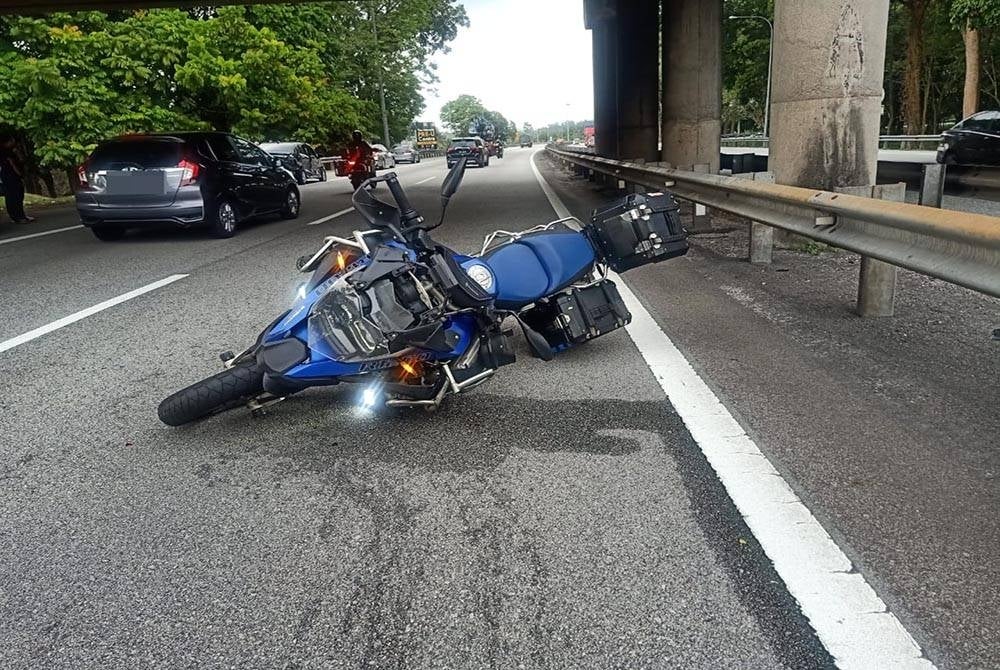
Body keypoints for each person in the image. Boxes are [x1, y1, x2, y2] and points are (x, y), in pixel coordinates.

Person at [0, 136, 33, 224]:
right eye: (11, 140)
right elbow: (12, 164)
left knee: (19, 196)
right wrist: (19, 173)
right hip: (9, 177)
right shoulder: (4, 152)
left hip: (14, 176)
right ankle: (17, 217)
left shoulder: (13, 150)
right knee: (13, 197)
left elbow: (21, 160)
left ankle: (21, 215)